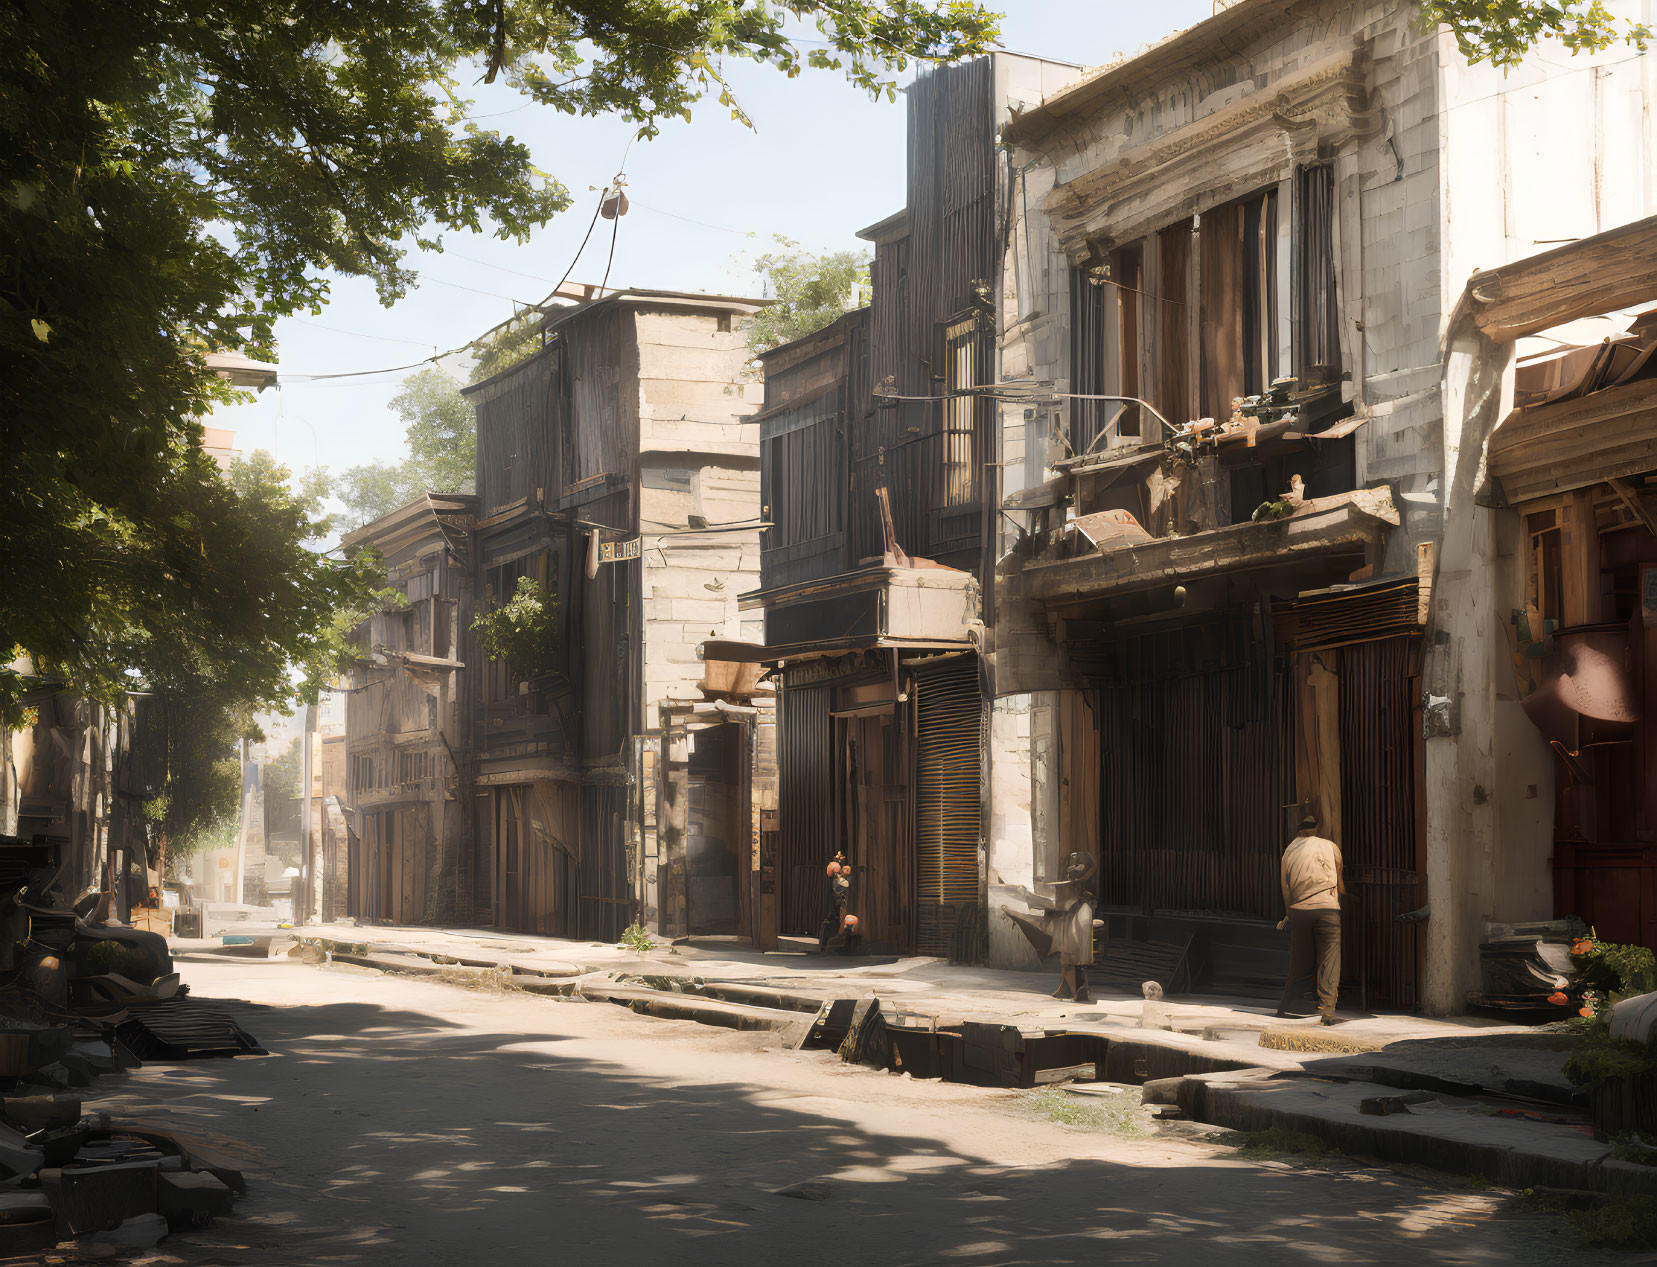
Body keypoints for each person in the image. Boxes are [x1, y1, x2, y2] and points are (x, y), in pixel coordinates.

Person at [1276, 816, 1344, 1024]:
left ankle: (1288, 1005)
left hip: (1300, 909)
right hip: (1328, 906)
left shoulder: (1289, 851)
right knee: (1331, 958)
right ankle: (1328, 1008)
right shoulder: (1330, 846)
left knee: (1299, 959)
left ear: (1298, 832)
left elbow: (1286, 890)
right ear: (1316, 830)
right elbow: (1340, 883)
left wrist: (1289, 914)